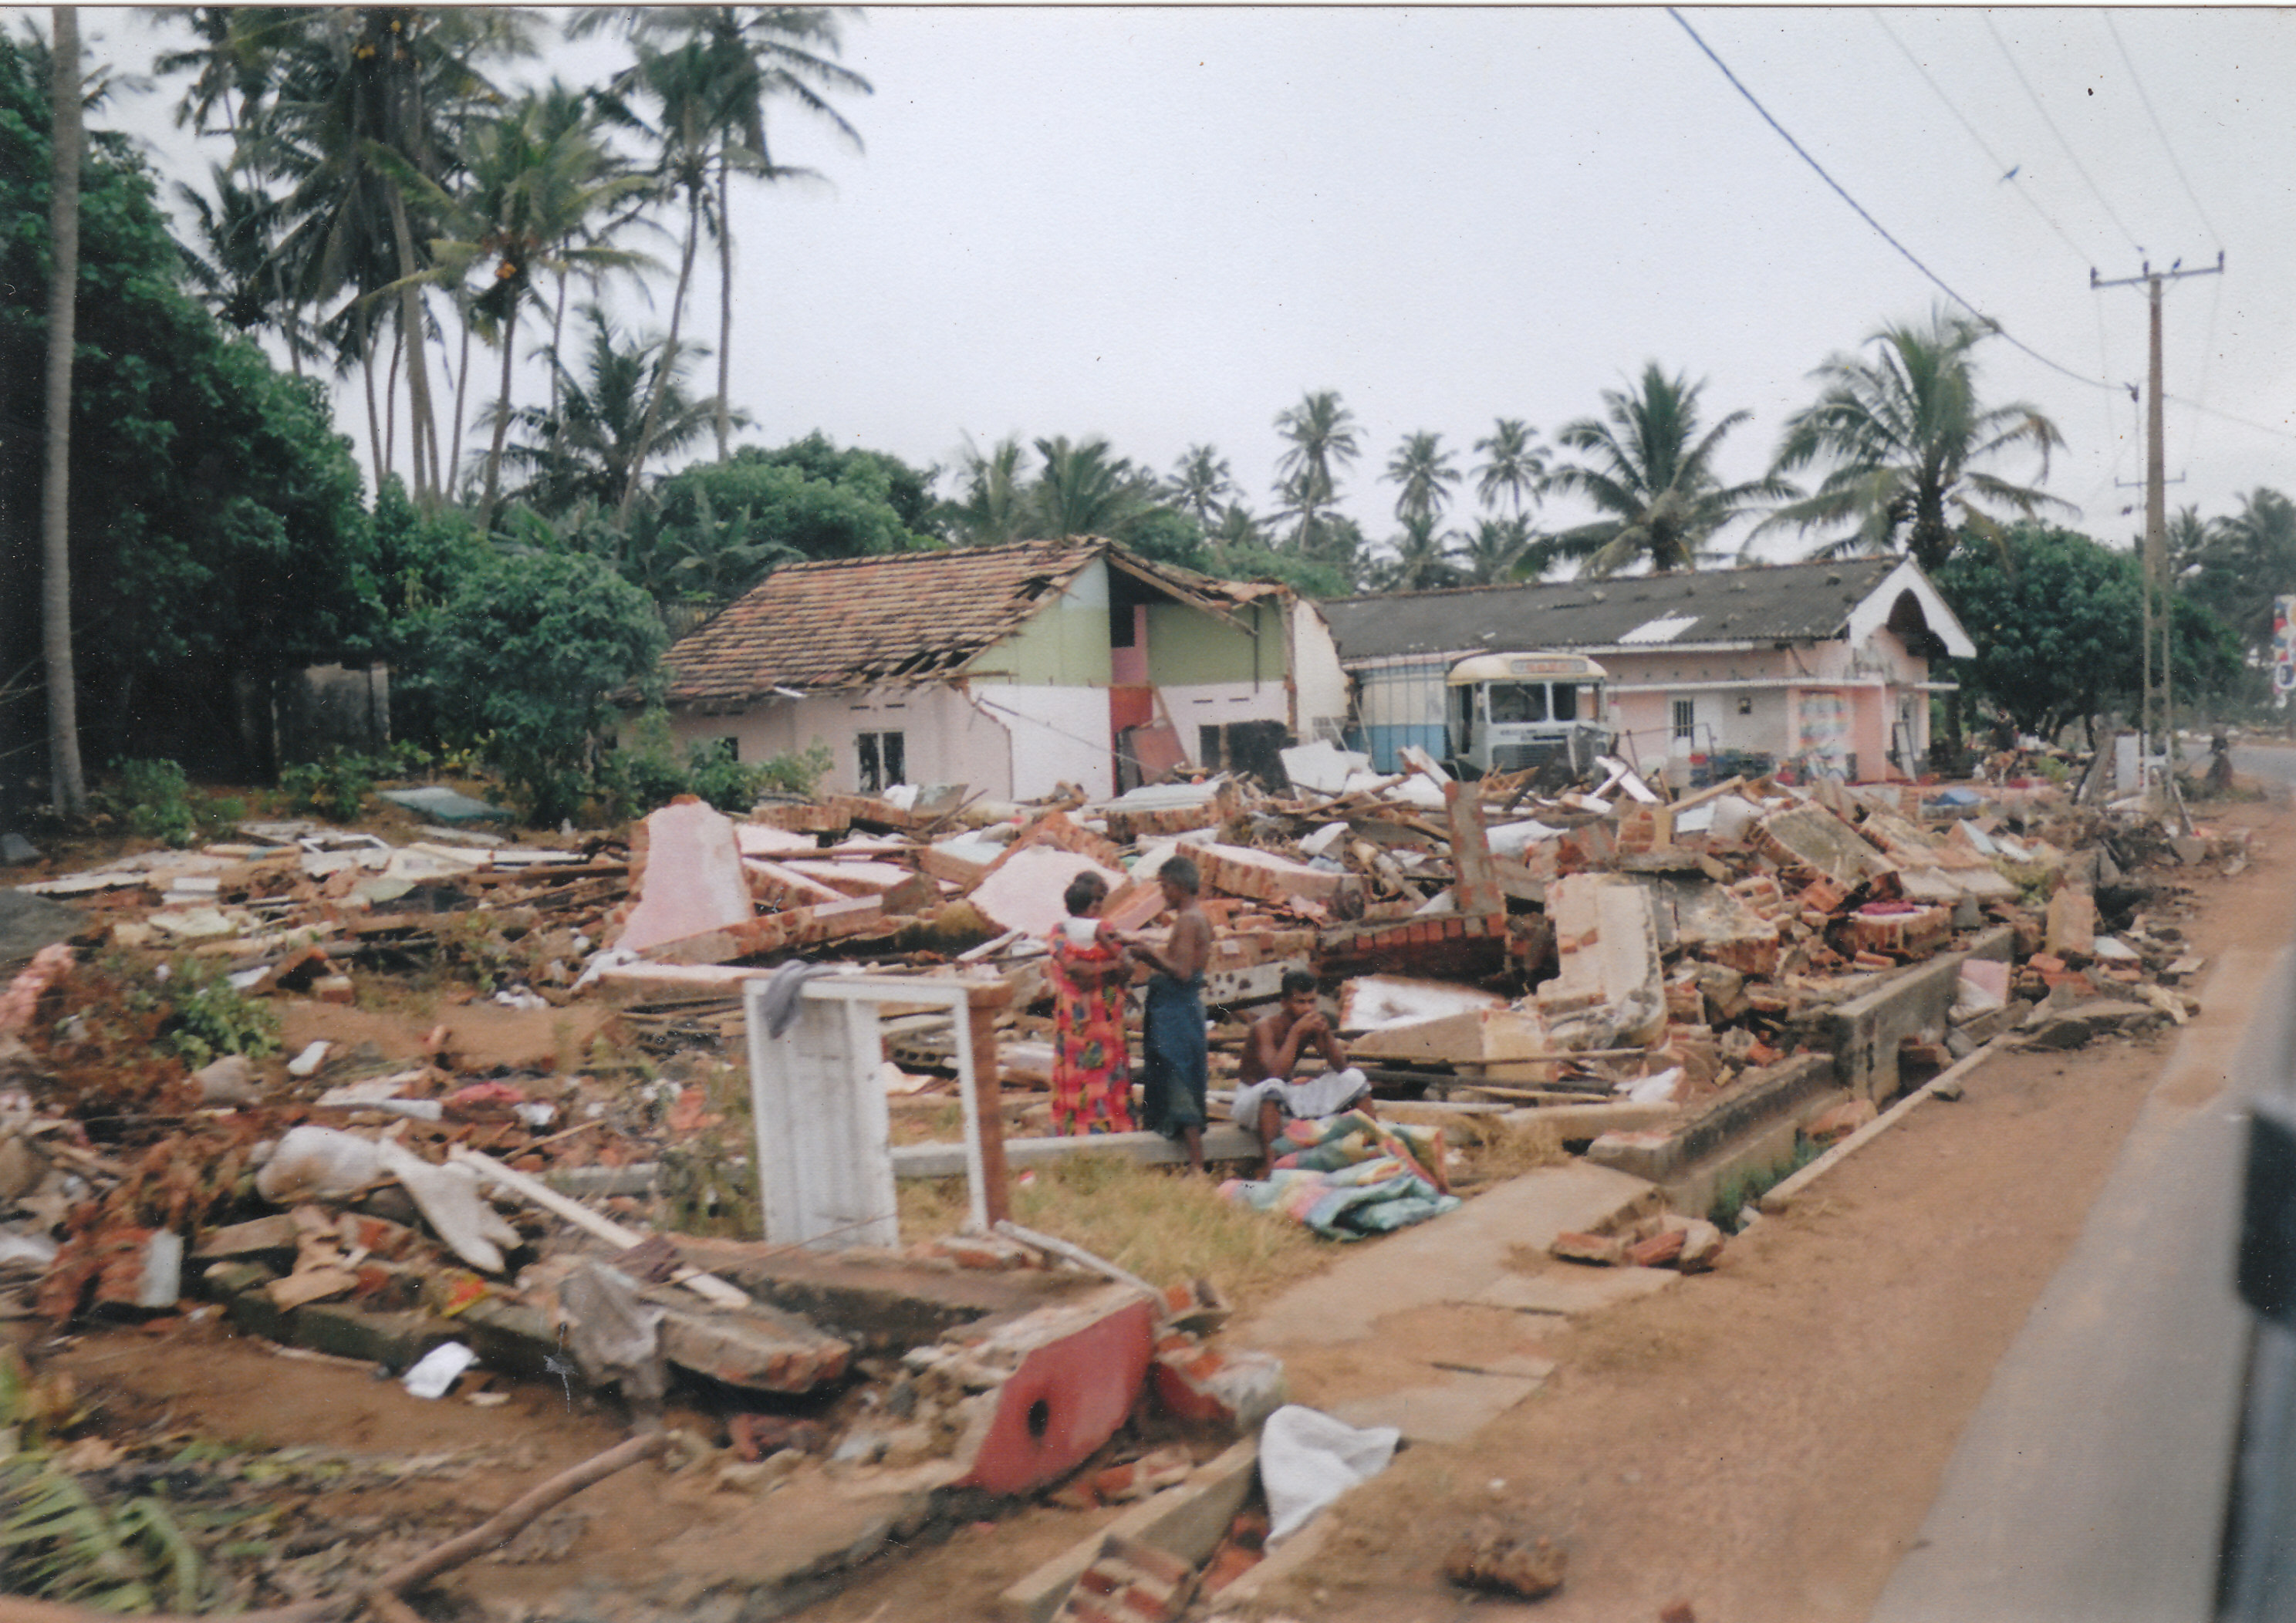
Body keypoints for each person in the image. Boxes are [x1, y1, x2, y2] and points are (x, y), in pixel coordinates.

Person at [1232, 970, 1375, 1178]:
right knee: (1273, 1087)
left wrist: (1326, 1035)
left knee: (1354, 1078)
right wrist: (1296, 1033)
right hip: (1252, 1099)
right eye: (1301, 1002)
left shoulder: (1310, 1023)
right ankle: (1272, 1165)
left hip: (1283, 1094)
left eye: (1312, 1002)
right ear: (1284, 1003)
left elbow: (1341, 1067)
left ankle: (1375, 1146)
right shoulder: (1263, 1027)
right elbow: (1274, 1074)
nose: (1308, 1008)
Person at [1129, 855, 1213, 1170]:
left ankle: (1195, 1164)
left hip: (1177, 1010)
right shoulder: (1194, 918)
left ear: (1179, 886)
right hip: (1177, 1009)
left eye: (1165, 887)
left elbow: (1181, 971)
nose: (1162, 894)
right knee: (1172, 1074)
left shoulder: (1190, 920)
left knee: (1178, 1077)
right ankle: (1179, 1161)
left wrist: (1148, 955)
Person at [1045, 871, 1134, 1135]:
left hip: (1095, 1017)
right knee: (1090, 1074)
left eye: (1101, 898)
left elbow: (1123, 968)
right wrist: (1108, 968)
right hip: (1088, 1018)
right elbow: (1075, 969)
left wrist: (1095, 970)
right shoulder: (1066, 930)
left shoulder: (1098, 928)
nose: (1099, 904)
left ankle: (1100, 1133)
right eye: (1096, 899)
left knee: (1099, 1074)